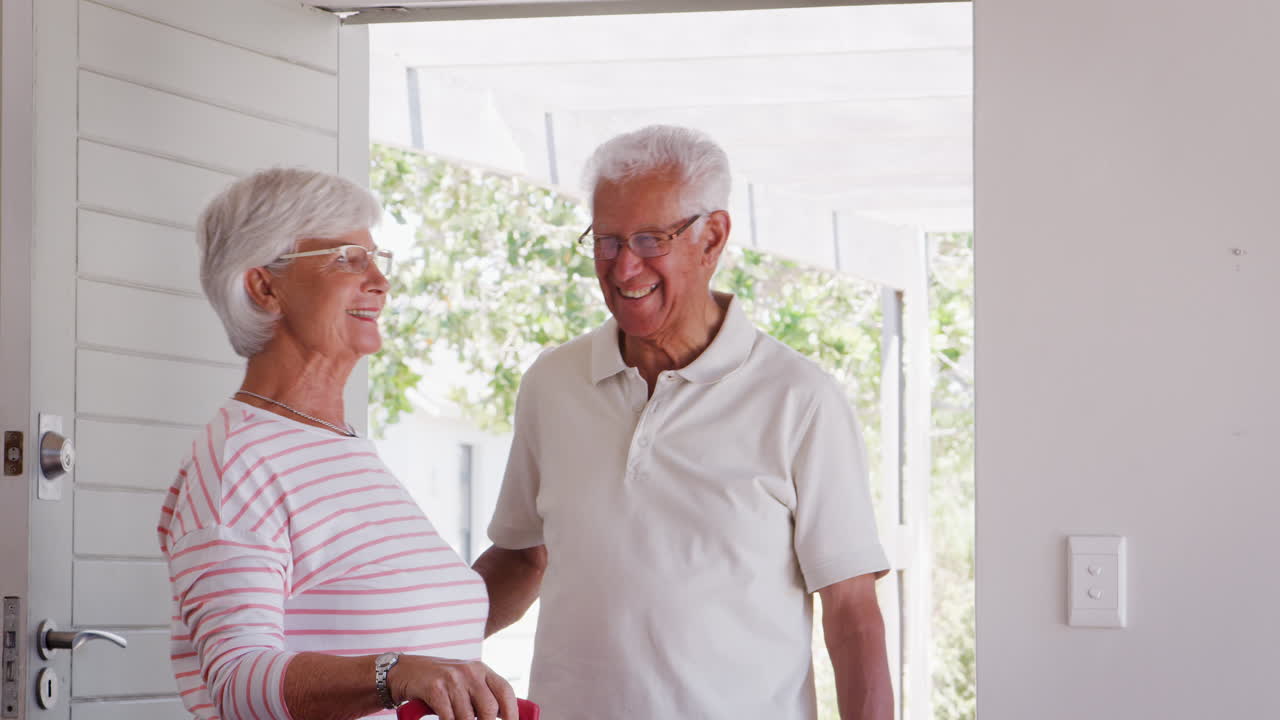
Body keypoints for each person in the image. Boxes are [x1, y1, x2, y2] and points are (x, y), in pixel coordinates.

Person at [473, 125, 893, 720]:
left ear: (712, 237)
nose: (622, 268)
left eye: (649, 239)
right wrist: (407, 651)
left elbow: (851, 610)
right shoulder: (553, 382)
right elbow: (520, 556)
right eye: (607, 240)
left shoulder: (800, 399)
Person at [159, 168, 517, 720]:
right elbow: (235, 679)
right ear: (264, 287)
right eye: (347, 258)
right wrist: (395, 673)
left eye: (376, 259)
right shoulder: (241, 462)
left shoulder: (340, 449)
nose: (380, 281)